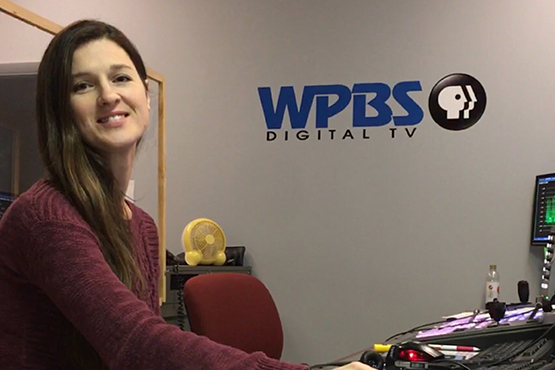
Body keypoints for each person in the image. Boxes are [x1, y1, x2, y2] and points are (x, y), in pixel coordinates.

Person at [0, 19, 374, 370]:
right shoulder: (45, 216)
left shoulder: (141, 226)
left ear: (145, 96)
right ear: (61, 110)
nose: (108, 95)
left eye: (121, 77)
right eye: (83, 85)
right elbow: (133, 340)